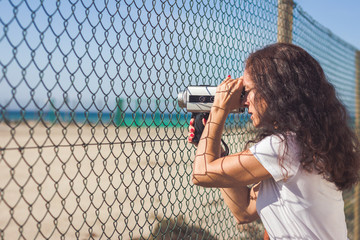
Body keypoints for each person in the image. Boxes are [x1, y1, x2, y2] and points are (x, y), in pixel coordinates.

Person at [188, 43, 360, 239]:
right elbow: (243, 210)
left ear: (273, 91)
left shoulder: (284, 147)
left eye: (248, 90)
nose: (244, 101)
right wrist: (212, 146)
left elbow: (201, 174)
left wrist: (220, 108)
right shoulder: (307, 144)